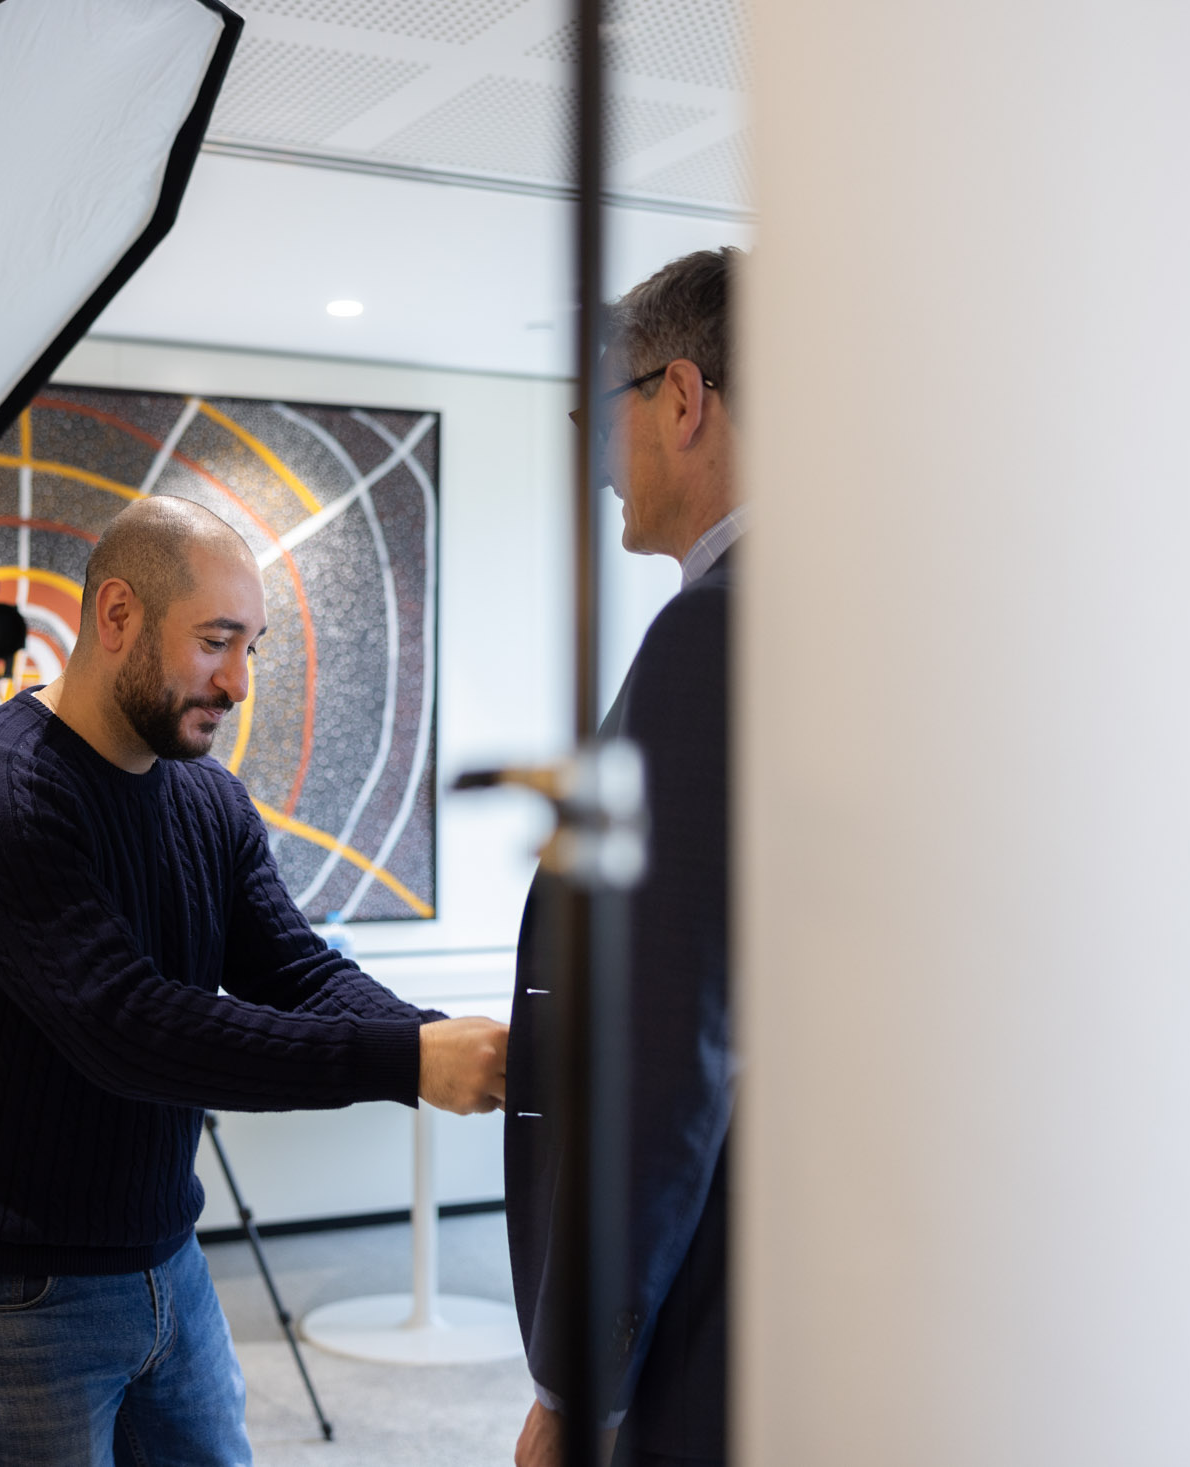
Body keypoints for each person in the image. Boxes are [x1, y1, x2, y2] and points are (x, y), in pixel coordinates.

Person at [0, 495, 510, 1465]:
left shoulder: (209, 801)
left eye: (251, 647)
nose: (239, 682)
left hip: (164, 1258)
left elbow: (291, 968)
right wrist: (408, 1058)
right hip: (1, 1290)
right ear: (117, 615)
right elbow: (125, 1028)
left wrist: (437, 1040)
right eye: (216, 642)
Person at [507, 247, 743, 1467]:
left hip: (714, 1293)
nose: (597, 459)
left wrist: (580, 1382)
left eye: (602, 414)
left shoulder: (713, 632)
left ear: (683, 398)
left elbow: (674, 1039)